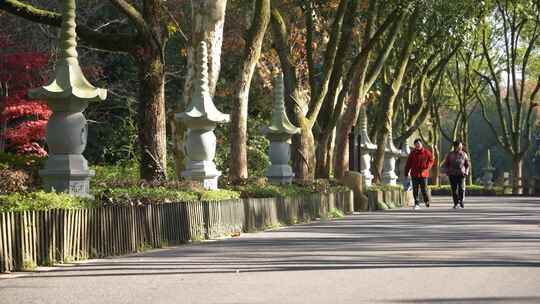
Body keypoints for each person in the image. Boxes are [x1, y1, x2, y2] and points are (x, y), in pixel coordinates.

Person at [404, 138, 434, 209]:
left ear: (421, 144)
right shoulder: (412, 153)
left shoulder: (427, 152)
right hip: (414, 174)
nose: (417, 145)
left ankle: (426, 200)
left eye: (418, 144)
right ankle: (416, 203)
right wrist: (406, 173)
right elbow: (408, 164)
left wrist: (427, 167)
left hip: (424, 174)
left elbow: (431, 160)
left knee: (424, 189)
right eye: (416, 145)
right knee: (415, 189)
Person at [443, 140, 470, 208]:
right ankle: (456, 203)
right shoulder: (450, 154)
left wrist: (466, 172)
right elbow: (446, 164)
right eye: (459, 146)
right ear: (455, 147)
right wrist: (447, 171)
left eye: (461, 146)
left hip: (461, 174)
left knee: (461, 188)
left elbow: (467, 165)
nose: (460, 147)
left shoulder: (464, 154)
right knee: (454, 189)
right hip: (452, 174)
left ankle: (461, 201)